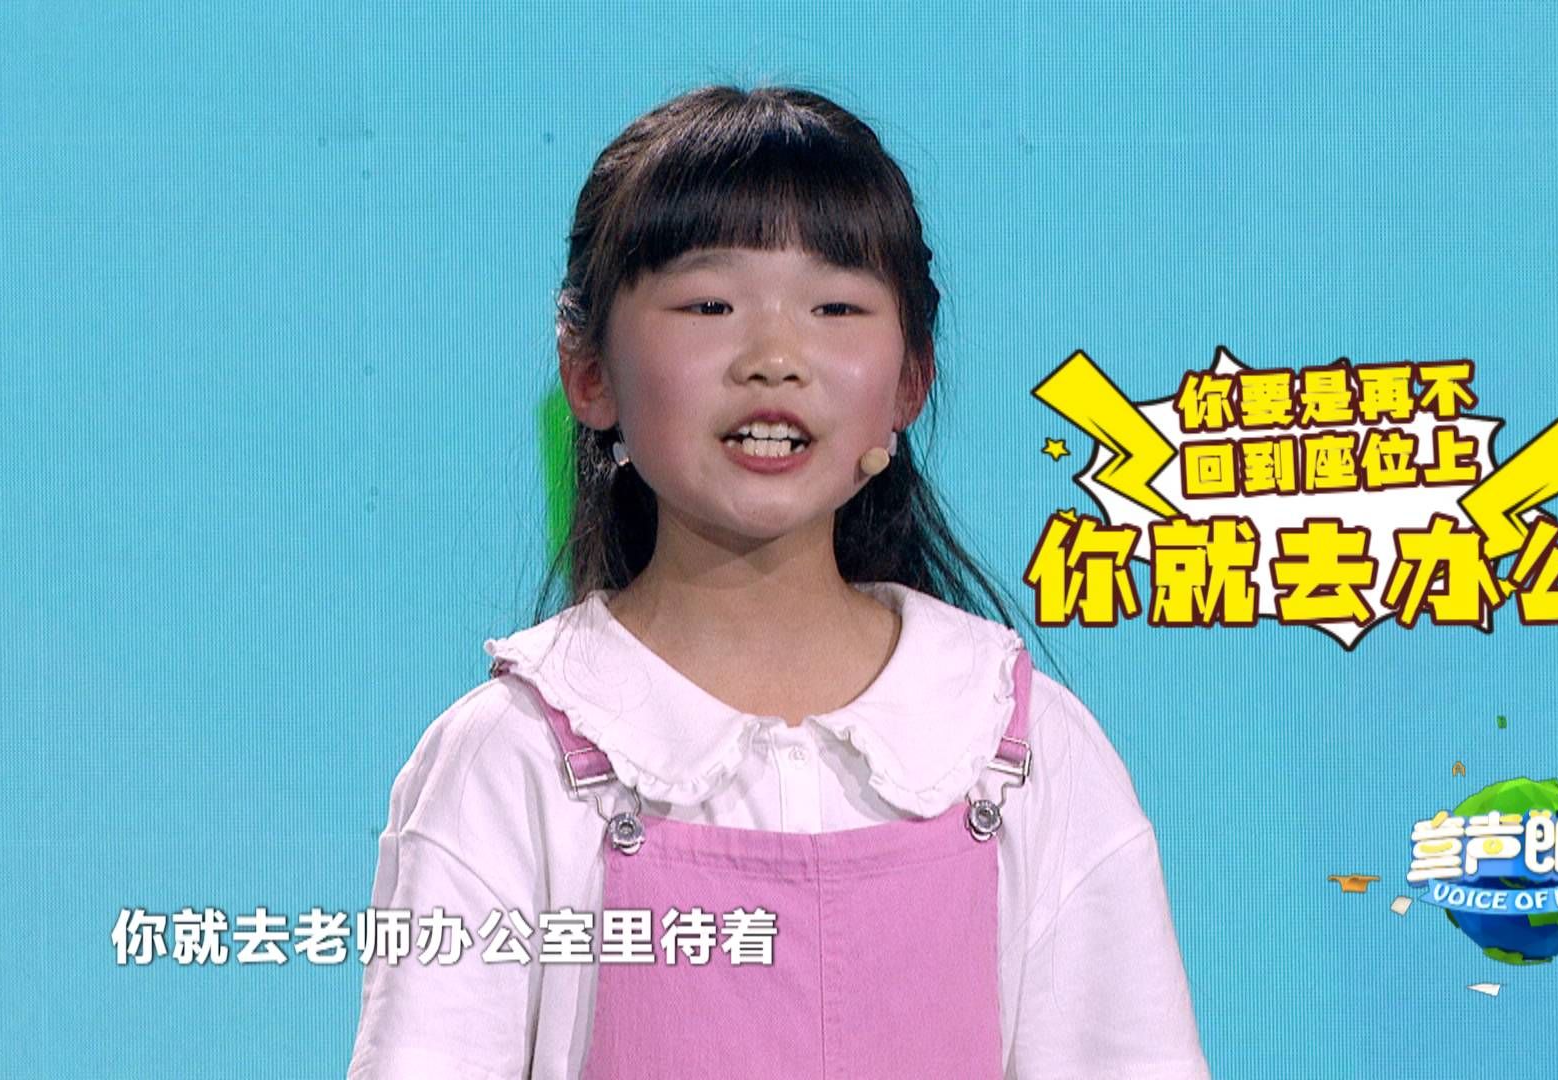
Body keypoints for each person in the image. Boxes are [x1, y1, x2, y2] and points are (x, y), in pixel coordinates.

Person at [347, 84, 1210, 1080]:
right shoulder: (515, 760)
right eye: (709, 306)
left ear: (909, 382)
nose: (775, 359)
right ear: (589, 372)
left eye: (835, 308)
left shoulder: (1018, 752)